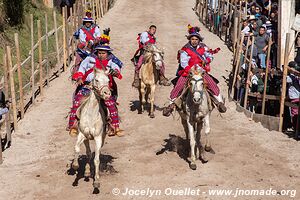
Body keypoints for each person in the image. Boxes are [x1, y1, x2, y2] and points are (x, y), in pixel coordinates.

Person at [162, 25, 226, 116]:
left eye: (196, 39)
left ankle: (219, 103)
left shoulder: (204, 48)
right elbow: (183, 62)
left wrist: (207, 60)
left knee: (212, 84)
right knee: (179, 85)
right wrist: (189, 70)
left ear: (199, 40)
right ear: (190, 40)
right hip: (188, 71)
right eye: (192, 39)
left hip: (201, 71)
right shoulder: (185, 49)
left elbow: (210, 56)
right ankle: (171, 105)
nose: (194, 41)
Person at [68, 45, 124, 137]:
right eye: (99, 53)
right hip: (88, 86)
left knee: (111, 104)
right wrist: (79, 77)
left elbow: (117, 69)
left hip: (103, 88)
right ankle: (72, 125)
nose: (101, 55)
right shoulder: (89, 59)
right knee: (77, 101)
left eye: (103, 53)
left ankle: (115, 127)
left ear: (107, 54)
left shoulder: (111, 62)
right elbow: (82, 68)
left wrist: (115, 72)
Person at [287, 61, 300, 131]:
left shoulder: (291, 77)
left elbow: (286, 80)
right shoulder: (297, 76)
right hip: (297, 96)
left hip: (294, 96)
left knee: (294, 114)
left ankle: (295, 129)